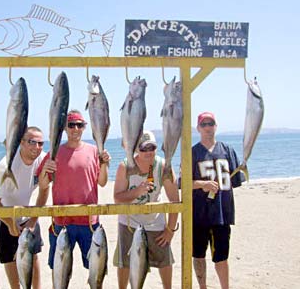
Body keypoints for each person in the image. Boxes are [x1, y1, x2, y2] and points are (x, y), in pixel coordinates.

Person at [37, 109, 111, 285]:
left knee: (96, 271)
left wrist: (105, 164)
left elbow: (102, 182)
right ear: (65, 128)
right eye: (71, 125)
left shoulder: (94, 151)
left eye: (80, 125)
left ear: (85, 127)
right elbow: (43, 184)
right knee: (60, 272)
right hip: (62, 223)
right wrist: (45, 169)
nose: (75, 129)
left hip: (89, 223)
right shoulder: (55, 152)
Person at [113, 130, 180, 289]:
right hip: (129, 222)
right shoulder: (125, 166)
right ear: (136, 149)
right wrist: (137, 191)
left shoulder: (163, 166)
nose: (148, 152)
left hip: (155, 220)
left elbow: (174, 200)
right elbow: (117, 198)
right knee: (125, 262)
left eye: (152, 147)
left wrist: (170, 230)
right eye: (144, 148)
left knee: (164, 259)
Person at [185, 112, 244, 289]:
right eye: (204, 125)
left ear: (216, 126)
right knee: (198, 255)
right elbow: (182, 183)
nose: (208, 128)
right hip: (199, 214)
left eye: (211, 124)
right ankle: (202, 286)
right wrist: (201, 184)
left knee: (222, 256)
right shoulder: (192, 152)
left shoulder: (227, 150)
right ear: (198, 128)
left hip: (222, 214)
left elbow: (235, 180)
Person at [0, 126, 47, 289]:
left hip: (29, 213)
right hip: (5, 217)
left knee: (33, 257)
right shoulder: (6, 166)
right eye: (32, 142)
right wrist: (10, 224)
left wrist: (33, 220)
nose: (37, 147)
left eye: (40, 143)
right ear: (21, 143)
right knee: (10, 260)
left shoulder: (42, 160)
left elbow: (44, 190)